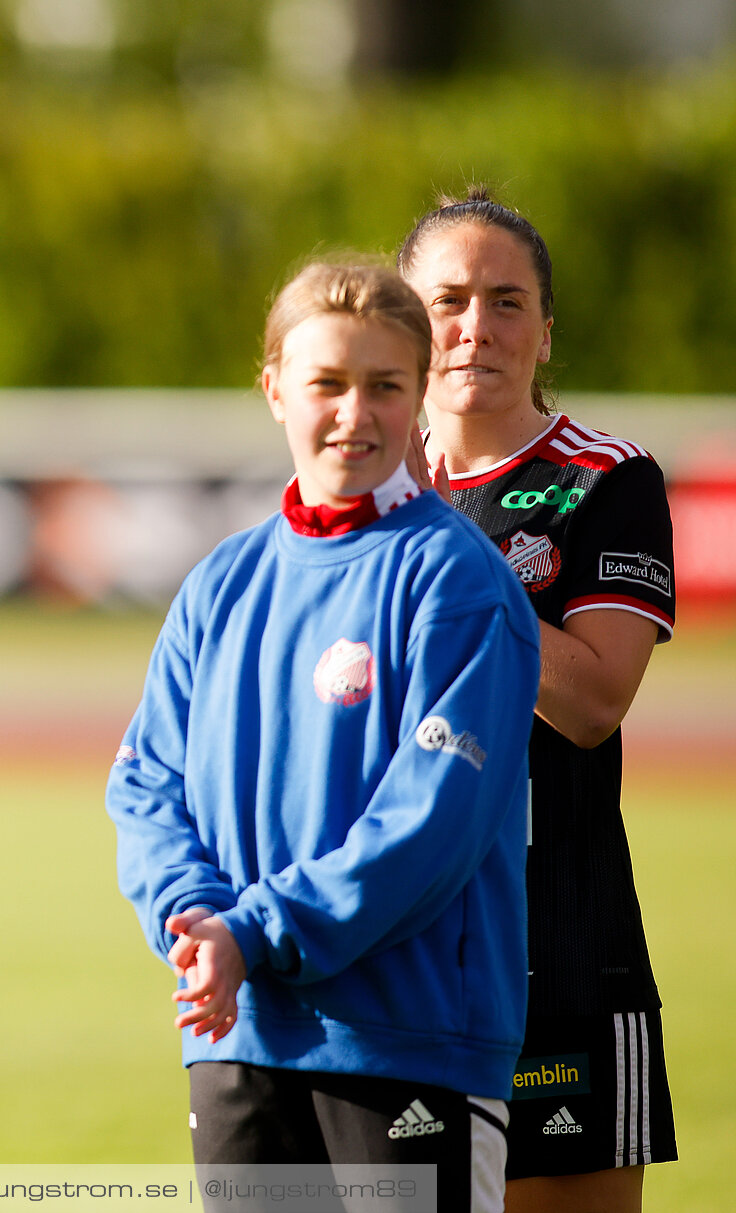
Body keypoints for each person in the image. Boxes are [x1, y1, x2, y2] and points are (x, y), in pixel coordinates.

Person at [107, 261, 542, 1213]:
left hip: (409, 1043)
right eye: (327, 384)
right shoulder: (221, 584)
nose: (356, 413)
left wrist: (251, 932)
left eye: (385, 385)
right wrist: (194, 922)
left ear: (420, 392)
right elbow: (145, 784)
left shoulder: (459, 584)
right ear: (274, 389)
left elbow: (428, 828)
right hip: (237, 1033)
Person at [398, 191, 678, 1213]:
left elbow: (595, 699)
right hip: (393, 957)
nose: (477, 328)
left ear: (546, 328)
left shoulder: (607, 480)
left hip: (559, 945)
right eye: (450, 300)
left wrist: (443, 539)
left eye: (508, 301)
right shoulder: (352, 492)